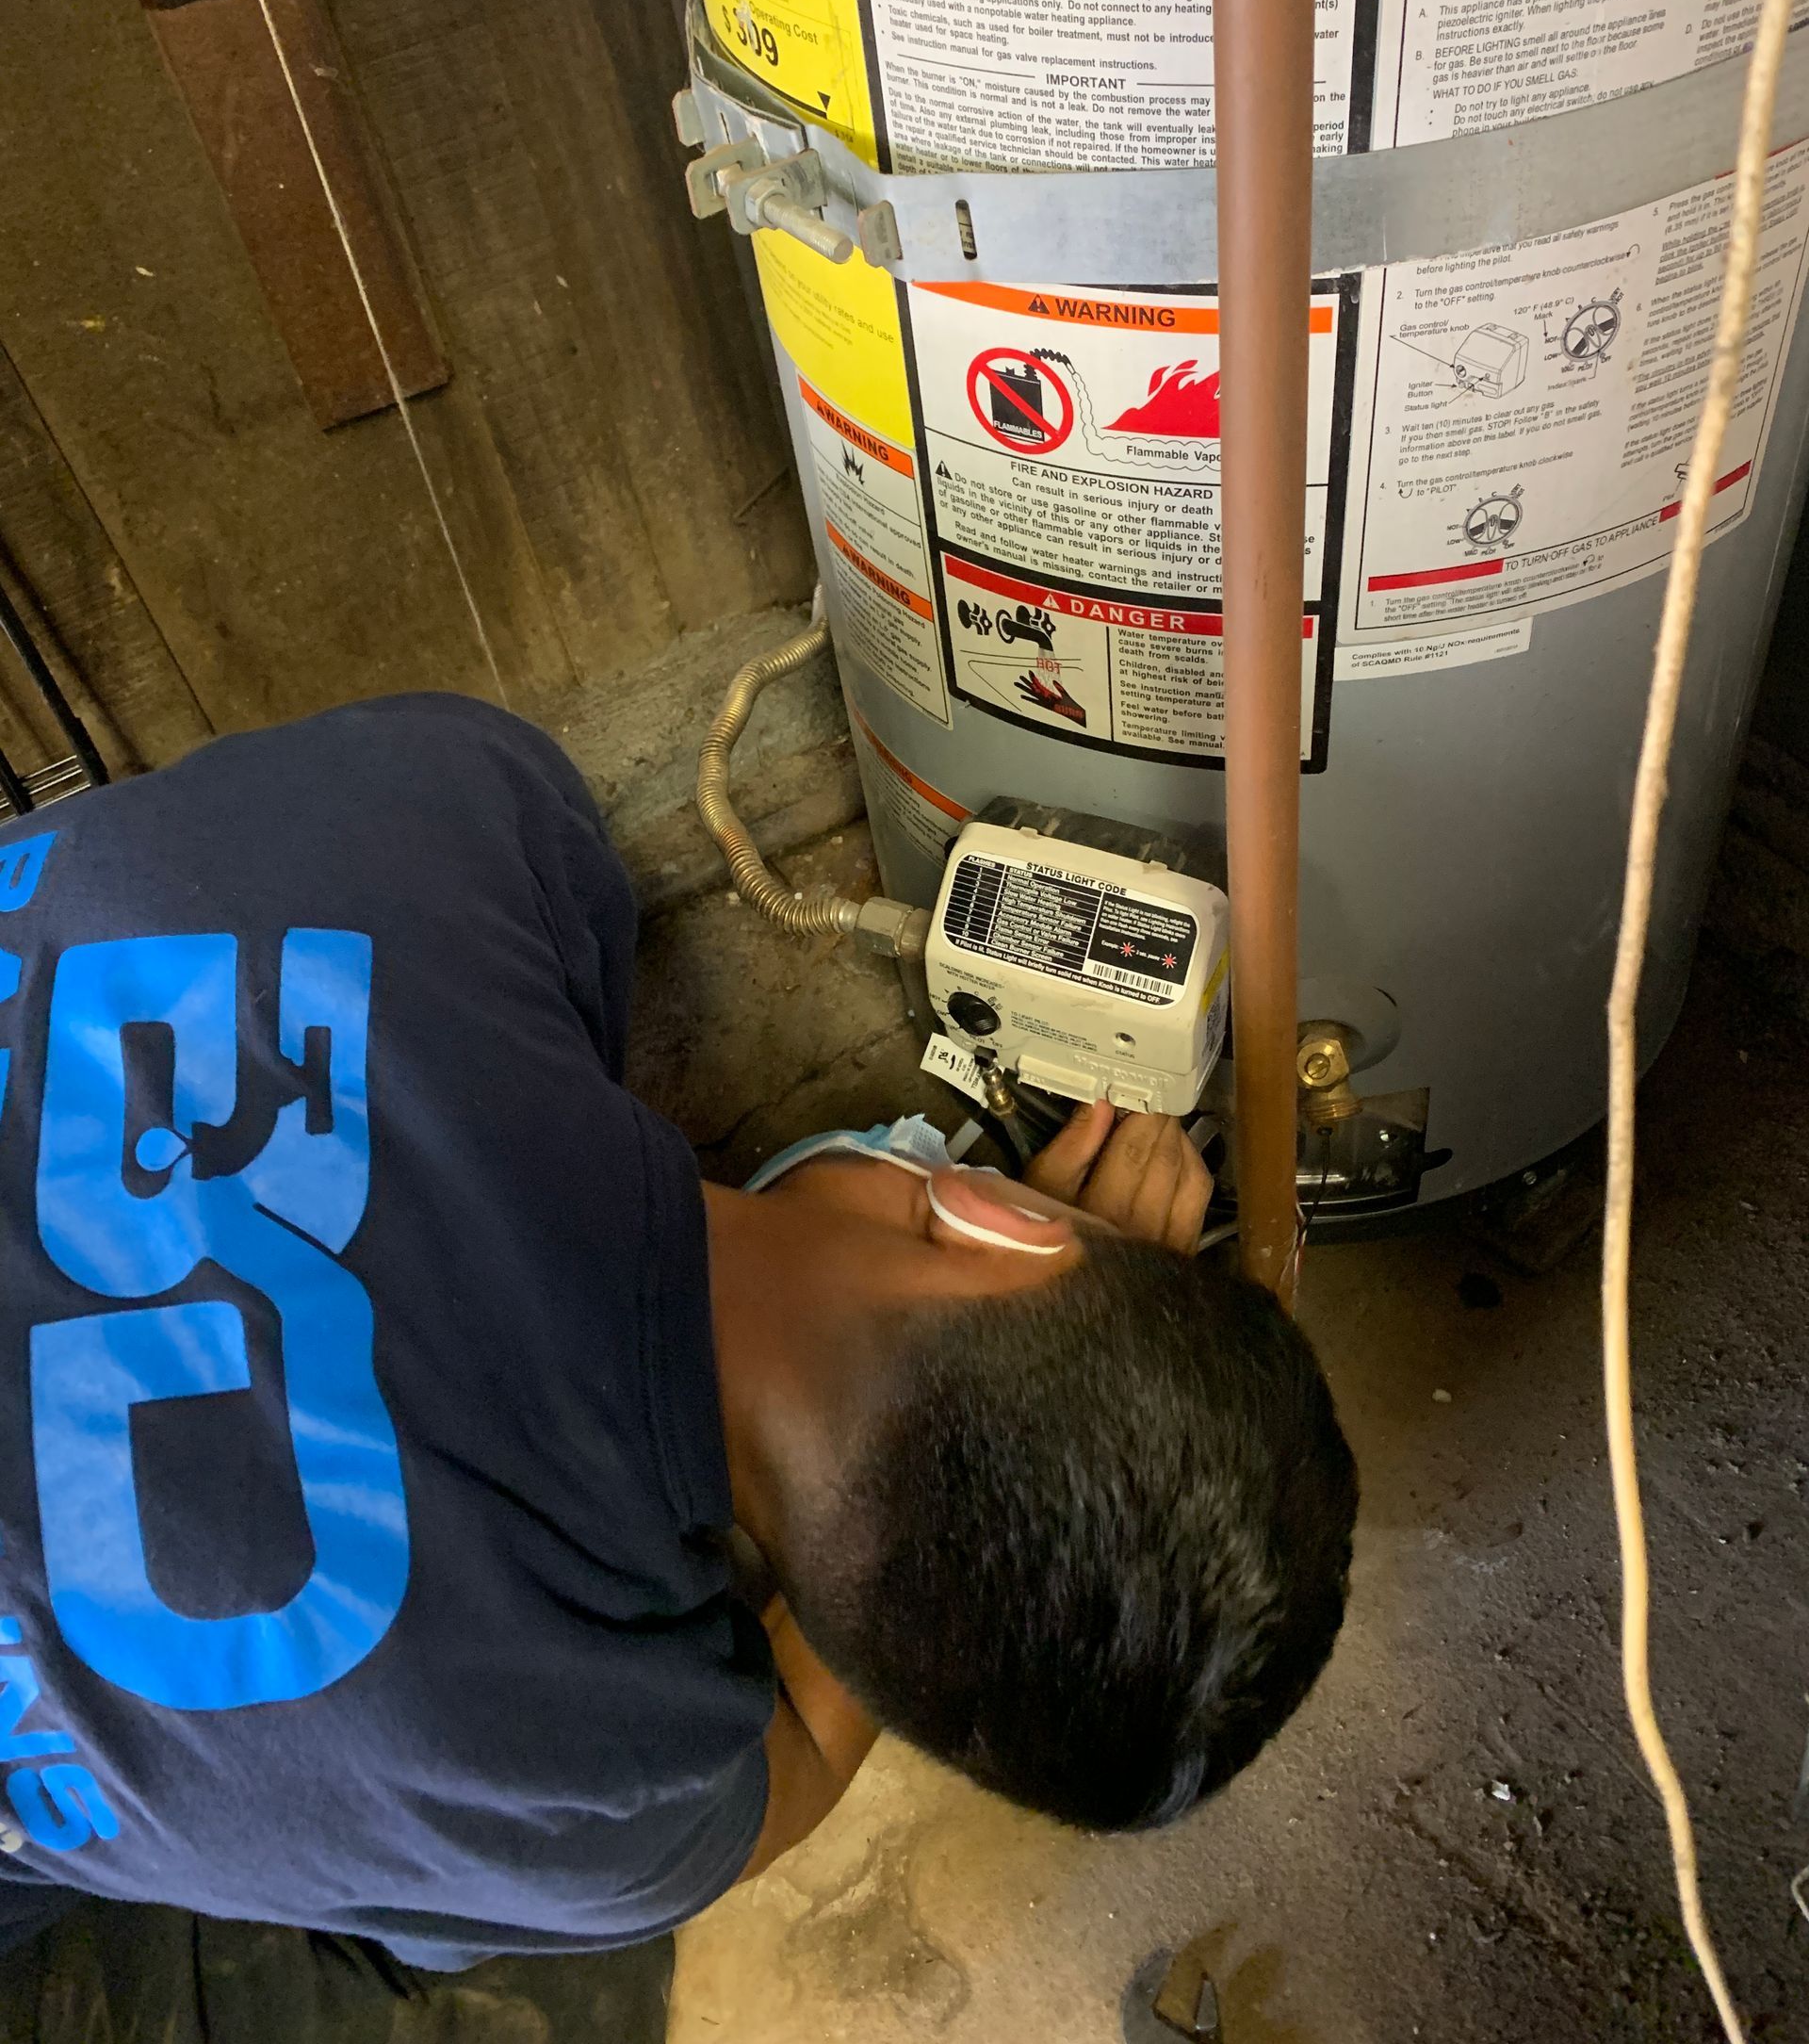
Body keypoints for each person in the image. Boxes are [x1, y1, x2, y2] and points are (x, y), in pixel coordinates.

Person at [0, 695, 1356, 2026]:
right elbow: (791, 1773)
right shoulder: (590, 1789)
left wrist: (1054, 1265)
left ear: (996, 1214)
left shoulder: (459, 816)